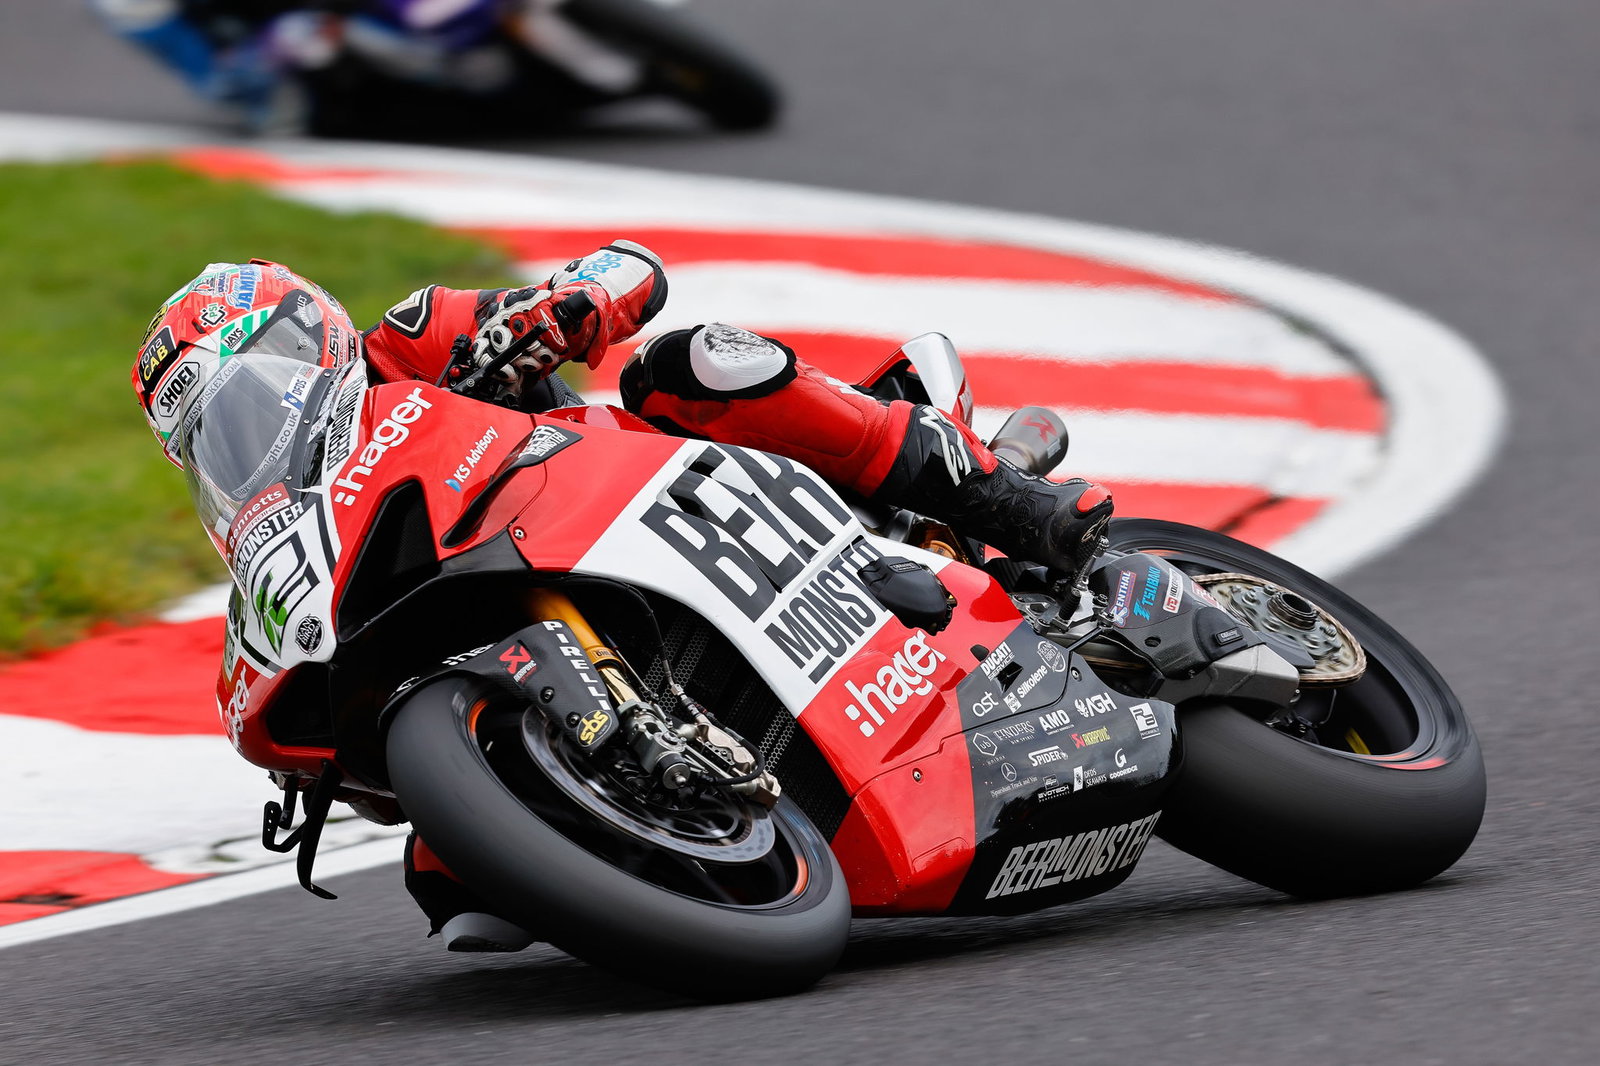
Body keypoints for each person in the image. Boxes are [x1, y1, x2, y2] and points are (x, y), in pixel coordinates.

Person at [132, 245, 1113, 952]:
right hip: (532, 627)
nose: (247, 431)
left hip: (662, 492)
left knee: (692, 362)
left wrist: (559, 308)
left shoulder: (413, 340)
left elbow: (630, 268)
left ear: (315, 341)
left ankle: (995, 494)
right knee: (452, 881)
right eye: (213, 434)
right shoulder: (288, 529)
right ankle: (656, 829)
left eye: (262, 389)